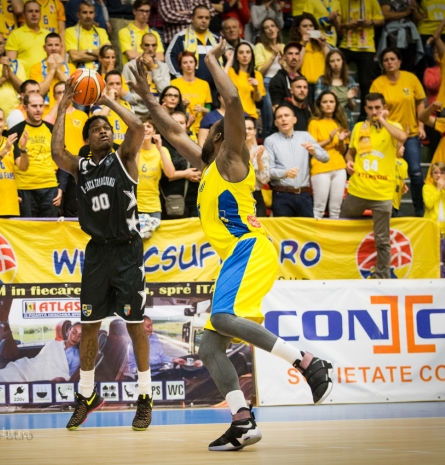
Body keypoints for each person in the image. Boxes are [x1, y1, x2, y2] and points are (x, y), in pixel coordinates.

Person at [128, 38, 334, 451]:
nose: (201, 131)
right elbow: (170, 130)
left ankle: (309, 363)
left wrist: (209, 61)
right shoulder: (206, 168)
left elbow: (235, 97)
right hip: (236, 257)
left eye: (210, 129)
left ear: (221, 135)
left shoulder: (231, 160)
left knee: (221, 317)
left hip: (250, 248)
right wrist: (148, 96)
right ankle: (242, 421)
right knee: (209, 348)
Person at [51, 74, 154, 432]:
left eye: (107, 127)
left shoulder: (124, 158)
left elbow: (138, 127)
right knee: (90, 326)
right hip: (97, 253)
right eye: (97, 129)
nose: (104, 131)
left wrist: (108, 101)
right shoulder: (81, 168)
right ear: (88, 139)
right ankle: (86, 393)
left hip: (127, 251)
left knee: (135, 325)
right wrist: (65, 104)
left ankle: (144, 397)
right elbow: (56, 153)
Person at [341, 93, 408, 279]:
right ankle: (341, 270)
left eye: (377, 108)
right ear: (365, 109)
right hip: (358, 190)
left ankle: (382, 278)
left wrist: (383, 121)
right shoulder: (358, 127)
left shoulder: (394, 126)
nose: (374, 112)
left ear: (384, 107)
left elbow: (403, 137)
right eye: (370, 108)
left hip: (382, 193)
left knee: (382, 240)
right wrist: (348, 162)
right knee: (341, 226)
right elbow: (350, 152)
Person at [370, 47, 427, 217]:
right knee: (390, 175)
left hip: (410, 135)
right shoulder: (378, 83)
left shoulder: (411, 78)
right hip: (387, 135)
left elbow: (420, 103)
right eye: (386, 60)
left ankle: (420, 211)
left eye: (392, 59)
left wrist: (421, 126)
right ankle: (394, 211)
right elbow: (373, 109)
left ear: (399, 61)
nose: (389, 62)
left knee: (416, 173)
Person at [266, 104, 329, 217]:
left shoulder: (305, 136)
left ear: (294, 119)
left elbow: (325, 158)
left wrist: (314, 152)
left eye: (286, 115)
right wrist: (285, 173)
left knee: (307, 232)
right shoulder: (270, 141)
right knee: (283, 232)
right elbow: (268, 171)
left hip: (303, 195)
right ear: (276, 123)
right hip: (281, 195)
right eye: (279, 117)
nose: (283, 119)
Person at [6, 92, 62, 218]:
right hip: (25, 188)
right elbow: (9, 164)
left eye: (41, 106)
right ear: (25, 107)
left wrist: (61, 188)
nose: (38, 110)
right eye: (34, 106)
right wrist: (12, 191)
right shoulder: (15, 131)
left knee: (50, 231)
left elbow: (62, 160)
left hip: (50, 187)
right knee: (26, 231)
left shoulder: (52, 129)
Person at [0, 322, 82, 383]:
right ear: (68, 330)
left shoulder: (76, 357)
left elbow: (69, 377)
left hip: (50, 375)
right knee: (10, 372)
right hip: (34, 368)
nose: (76, 337)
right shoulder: (54, 344)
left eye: (80, 335)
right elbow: (39, 360)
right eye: (74, 332)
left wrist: (61, 378)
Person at [338, 0, 384, 116]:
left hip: (366, 47)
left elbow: (382, 20)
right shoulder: (341, 2)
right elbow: (337, 25)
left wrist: (370, 22)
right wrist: (347, 25)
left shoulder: (372, 1)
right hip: (346, 45)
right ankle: (337, 109)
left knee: (365, 82)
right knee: (336, 75)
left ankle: (365, 115)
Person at [308, 91, 348, 219]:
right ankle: (315, 237)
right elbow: (312, 147)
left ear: (336, 104)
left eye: (331, 102)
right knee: (319, 208)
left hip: (339, 167)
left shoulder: (339, 123)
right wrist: (329, 140)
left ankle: (334, 238)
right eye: (325, 102)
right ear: (320, 105)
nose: (328, 105)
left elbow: (342, 151)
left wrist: (341, 140)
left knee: (336, 209)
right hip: (321, 167)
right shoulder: (314, 123)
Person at [165, 5, 219, 102]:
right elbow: (170, 56)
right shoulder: (181, 37)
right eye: (200, 17)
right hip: (190, 89)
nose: (204, 20)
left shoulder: (216, 39)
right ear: (192, 19)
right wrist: (179, 77)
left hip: (216, 89)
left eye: (207, 18)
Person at [136, 119, 178, 238]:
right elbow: (131, 174)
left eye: (148, 126)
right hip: (133, 205)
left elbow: (170, 173)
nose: (145, 129)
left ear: (154, 131)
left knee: (153, 244)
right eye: (141, 127)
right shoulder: (133, 150)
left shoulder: (162, 150)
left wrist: (160, 149)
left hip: (153, 206)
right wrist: (138, 148)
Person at [160, 110, 202, 218]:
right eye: (174, 122)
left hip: (194, 201)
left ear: (186, 125)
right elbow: (159, 175)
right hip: (170, 202)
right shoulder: (160, 145)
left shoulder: (193, 145)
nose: (178, 125)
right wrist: (185, 174)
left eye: (181, 123)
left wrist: (200, 174)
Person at [122, 33, 171, 118]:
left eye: (154, 45)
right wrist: (147, 98)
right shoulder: (130, 66)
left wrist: (153, 69)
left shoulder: (164, 67)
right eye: (147, 45)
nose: (150, 49)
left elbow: (166, 92)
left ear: (157, 46)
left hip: (159, 112)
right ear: (141, 46)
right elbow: (124, 94)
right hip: (137, 112)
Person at [127, 316, 198, 374]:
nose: (151, 328)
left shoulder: (155, 338)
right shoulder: (133, 345)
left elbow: (161, 357)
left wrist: (174, 360)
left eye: (152, 325)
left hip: (159, 374)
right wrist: (142, 371)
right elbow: (131, 368)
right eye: (148, 326)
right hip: (144, 379)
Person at [171, 52, 212, 138]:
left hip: (201, 128)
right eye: (185, 63)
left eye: (191, 62)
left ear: (195, 64)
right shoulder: (173, 83)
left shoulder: (204, 84)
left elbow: (208, 107)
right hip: (181, 128)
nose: (188, 65)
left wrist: (204, 109)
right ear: (180, 66)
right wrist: (181, 105)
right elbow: (170, 107)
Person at [292, 13, 332, 101]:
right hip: (305, 85)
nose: (308, 28)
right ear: (298, 29)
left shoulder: (321, 45)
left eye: (311, 26)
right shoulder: (295, 45)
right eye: (304, 26)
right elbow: (296, 66)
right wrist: (303, 45)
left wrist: (324, 45)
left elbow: (331, 62)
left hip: (322, 84)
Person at [254, 18, 283, 139]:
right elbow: (260, 71)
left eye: (272, 26)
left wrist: (283, 63)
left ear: (277, 28)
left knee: (282, 116)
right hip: (266, 83)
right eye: (266, 27)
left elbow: (287, 70)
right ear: (263, 32)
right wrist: (273, 56)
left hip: (281, 84)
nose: (270, 29)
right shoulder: (260, 46)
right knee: (270, 119)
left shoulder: (283, 46)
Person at [30, 32, 75, 109]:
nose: (53, 48)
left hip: (67, 110)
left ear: (61, 47)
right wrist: (51, 71)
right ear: (44, 47)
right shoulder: (36, 67)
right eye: (50, 45)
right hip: (44, 111)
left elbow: (74, 91)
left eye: (56, 45)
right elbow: (38, 93)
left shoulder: (71, 67)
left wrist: (59, 70)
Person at [5, 1, 51, 76]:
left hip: (45, 80)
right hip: (24, 82)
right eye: (30, 11)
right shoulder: (15, 35)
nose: (34, 14)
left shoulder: (49, 35)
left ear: (40, 14)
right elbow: (11, 65)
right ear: (24, 15)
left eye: (37, 11)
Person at [314, 49, 358, 126]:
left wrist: (349, 98)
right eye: (332, 61)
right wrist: (330, 97)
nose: (336, 63)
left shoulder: (349, 80)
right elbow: (317, 104)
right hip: (327, 121)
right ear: (328, 64)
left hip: (346, 120)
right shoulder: (322, 80)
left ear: (343, 61)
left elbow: (353, 107)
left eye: (338, 60)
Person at [64, 1, 111, 71]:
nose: (88, 16)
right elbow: (74, 56)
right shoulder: (69, 31)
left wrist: (87, 51)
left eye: (91, 13)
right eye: (84, 12)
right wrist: (99, 55)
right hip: (78, 73)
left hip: (99, 73)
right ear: (78, 15)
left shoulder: (102, 32)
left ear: (95, 14)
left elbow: (107, 54)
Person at [224, 42, 265, 121]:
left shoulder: (257, 75)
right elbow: (221, 79)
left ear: (251, 56)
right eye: (241, 52)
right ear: (236, 56)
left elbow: (259, 103)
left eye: (248, 52)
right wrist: (229, 60)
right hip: (233, 116)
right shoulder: (231, 71)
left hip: (250, 116)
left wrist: (256, 88)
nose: (245, 55)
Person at [118, 0, 164, 66]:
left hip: (152, 72)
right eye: (142, 11)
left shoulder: (155, 34)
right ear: (134, 11)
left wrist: (139, 55)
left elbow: (161, 57)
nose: (145, 14)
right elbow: (130, 55)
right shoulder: (124, 32)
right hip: (132, 72)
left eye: (147, 11)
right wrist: (151, 57)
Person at [91, 71, 133, 145]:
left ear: (121, 86)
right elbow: (99, 121)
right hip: (105, 151)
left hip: (124, 152)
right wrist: (110, 100)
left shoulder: (128, 106)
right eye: (111, 84)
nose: (115, 87)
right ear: (105, 86)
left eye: (118, 83)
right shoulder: (97, 104)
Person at [244, 116, 269, 216]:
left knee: (260, 228)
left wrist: (258, 161)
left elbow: (264, 180)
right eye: (244, 128)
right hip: (238, 195)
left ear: (255, 131)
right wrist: (249, 161)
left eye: (250, 128)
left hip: (256, 194)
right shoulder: (232, 152)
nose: (247, 131)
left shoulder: (260, 150)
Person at [269, 42, 304, 111]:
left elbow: (306, 104)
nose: (294, 57)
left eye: (297, 54)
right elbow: (276, 107)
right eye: (290, 53)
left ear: (300, 57)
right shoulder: (277, 79)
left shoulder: (303, 79)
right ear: (284, 57)